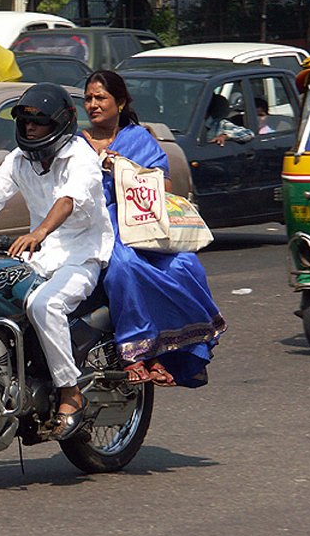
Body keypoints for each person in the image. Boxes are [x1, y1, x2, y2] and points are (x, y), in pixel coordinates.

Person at [0, 83, 114, 440]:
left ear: (60, 123)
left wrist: (40, 232)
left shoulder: (81, 158)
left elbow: (68, 200)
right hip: (41, 256)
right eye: (25, 121)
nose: (31, 128)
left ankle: (70, 392)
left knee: (44, 303)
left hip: (82, 255)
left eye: (40, 122)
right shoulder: (20, 159)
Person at [80, 70, 226, 387]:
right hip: (103, 228)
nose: (92, 104)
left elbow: (166, 186)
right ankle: (138, 354)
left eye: (100, 97)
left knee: (186, 265)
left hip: (145, 223)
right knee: (125, 267)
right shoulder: (78, 144)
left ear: (120, 102)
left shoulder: (138, 138)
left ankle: (183, 350)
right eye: (88, 98)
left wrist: (128, 169)